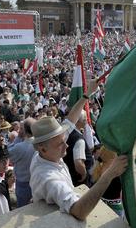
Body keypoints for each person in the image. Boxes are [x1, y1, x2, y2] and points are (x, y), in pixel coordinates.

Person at [30, 80, 128, 220]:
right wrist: (110, 174)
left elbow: (71, 120)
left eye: (65, 140)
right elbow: (79, 211)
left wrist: (87, 94)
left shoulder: (45, 153)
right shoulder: (48, 178)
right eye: (60, 144)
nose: (67, 146)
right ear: (43, 149)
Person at [8, 117, 36, 207]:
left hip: (24, 185)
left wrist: (17, 139)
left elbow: (9, 156)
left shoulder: (20, 146)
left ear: (24, 130)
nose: (19, 130)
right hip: (37, 182)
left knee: (23, 209)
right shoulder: (40, 143)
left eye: (21, 128)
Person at [63, 110, 94, 186]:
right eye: (84, 120)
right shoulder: (79, 140)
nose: (86, 122)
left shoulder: (68, 133)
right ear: (77, 122)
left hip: (71, 174)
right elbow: (78, 162)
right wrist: (83, 174)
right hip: (79, 179)